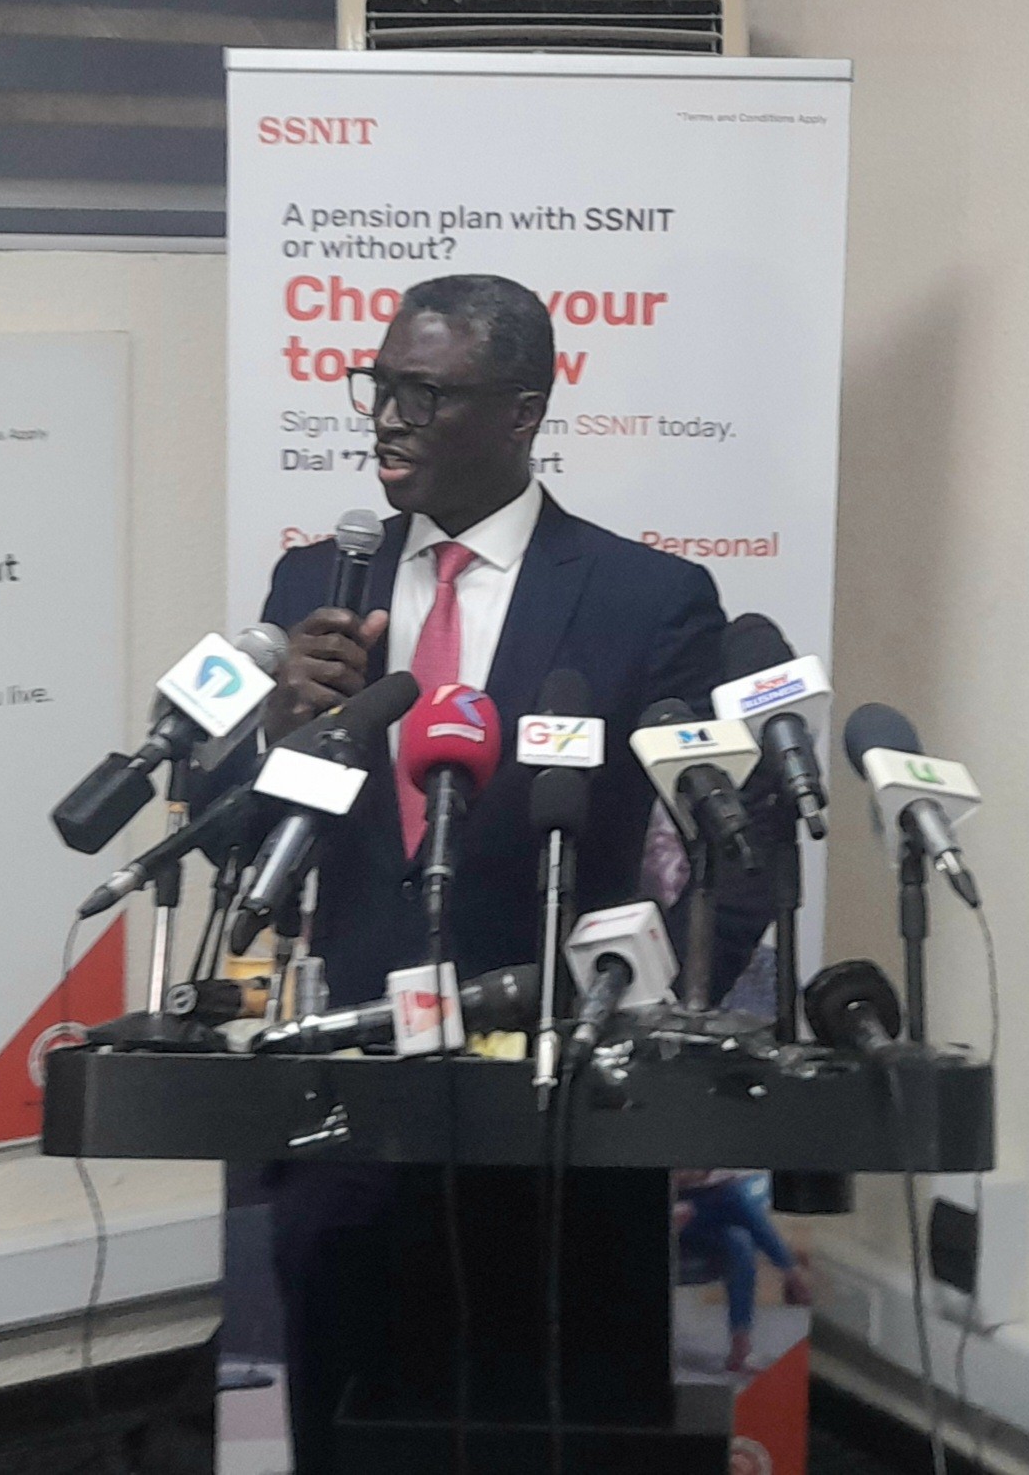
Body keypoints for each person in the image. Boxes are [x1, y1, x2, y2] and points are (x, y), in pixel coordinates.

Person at [249, 273, 729, 1472]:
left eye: (426, 393)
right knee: (347, 1424)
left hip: (562, 1108)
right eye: (379, 386)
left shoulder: (647, 600)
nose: (387, 417)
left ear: (521, 412)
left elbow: (708, 857)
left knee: (559, 1431)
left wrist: (652, 1024)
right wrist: (281, 731)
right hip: (353, 1097)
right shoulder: (315, 587)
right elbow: (248, 846)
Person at [675, 1170, 813, 1373]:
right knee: (734, 1197)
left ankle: (740, 1342)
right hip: (679, 1211)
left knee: (739, 1239)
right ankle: (792, 1274)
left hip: (703, 1205)